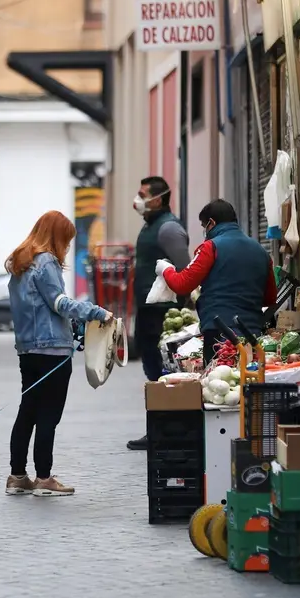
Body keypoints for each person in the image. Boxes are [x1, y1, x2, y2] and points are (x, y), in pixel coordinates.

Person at [4, 211, 112, 497]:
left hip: (27, 349)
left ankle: (17, 475)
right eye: (66, 240)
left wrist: (73, 325)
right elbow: (59, 302)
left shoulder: (20, 263)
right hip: (53, 351)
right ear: (57, 236)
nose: (66, 247)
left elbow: (39, 307)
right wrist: (95, 312)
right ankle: (43, 477)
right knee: (48, 415)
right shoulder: (46, 261)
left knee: (27, 411)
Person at [158, 199, 277, 365]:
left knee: (220, 383)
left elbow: (182, 284)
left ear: (211, 223)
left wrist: (165, 269)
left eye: (203, 225)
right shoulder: (261, 251)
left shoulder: (210, 247)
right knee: (246, 381)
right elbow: (270, 298)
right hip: (253, 333)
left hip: (220, 334)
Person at [126, 176, 191, 452]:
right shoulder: (151, 227)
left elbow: (186, 268)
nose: (137, 200)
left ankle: (166, 431)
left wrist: (183, 305)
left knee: (164, 373)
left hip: (164, 314)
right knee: (152, 372)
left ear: (159, 198)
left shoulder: (168, 229)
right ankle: (157, 429)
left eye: (143, 194)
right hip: (148, 311)